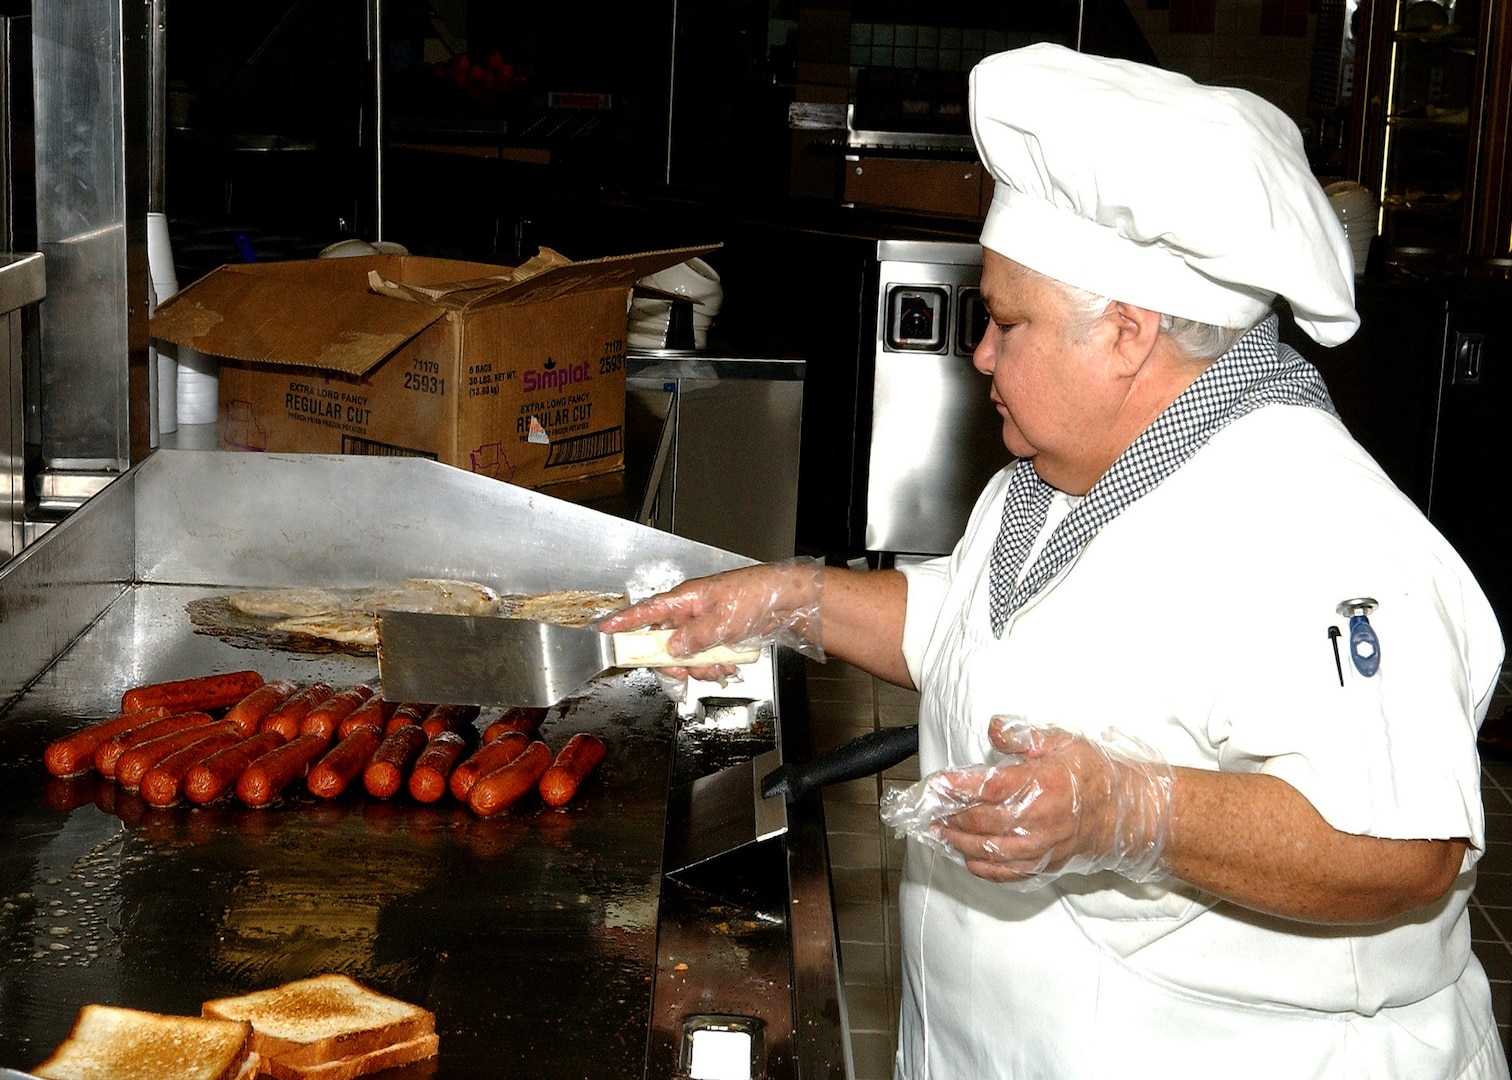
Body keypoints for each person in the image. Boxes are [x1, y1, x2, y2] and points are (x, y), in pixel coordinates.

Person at [599, 43, 1508, 1079]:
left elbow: (1406, 851)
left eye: (1006, 320)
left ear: (1125, 332)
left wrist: (1131, 812)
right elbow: (975, 633)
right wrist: (783, 599)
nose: (979, 353)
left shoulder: (1318, 523)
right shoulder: (1057, 473)